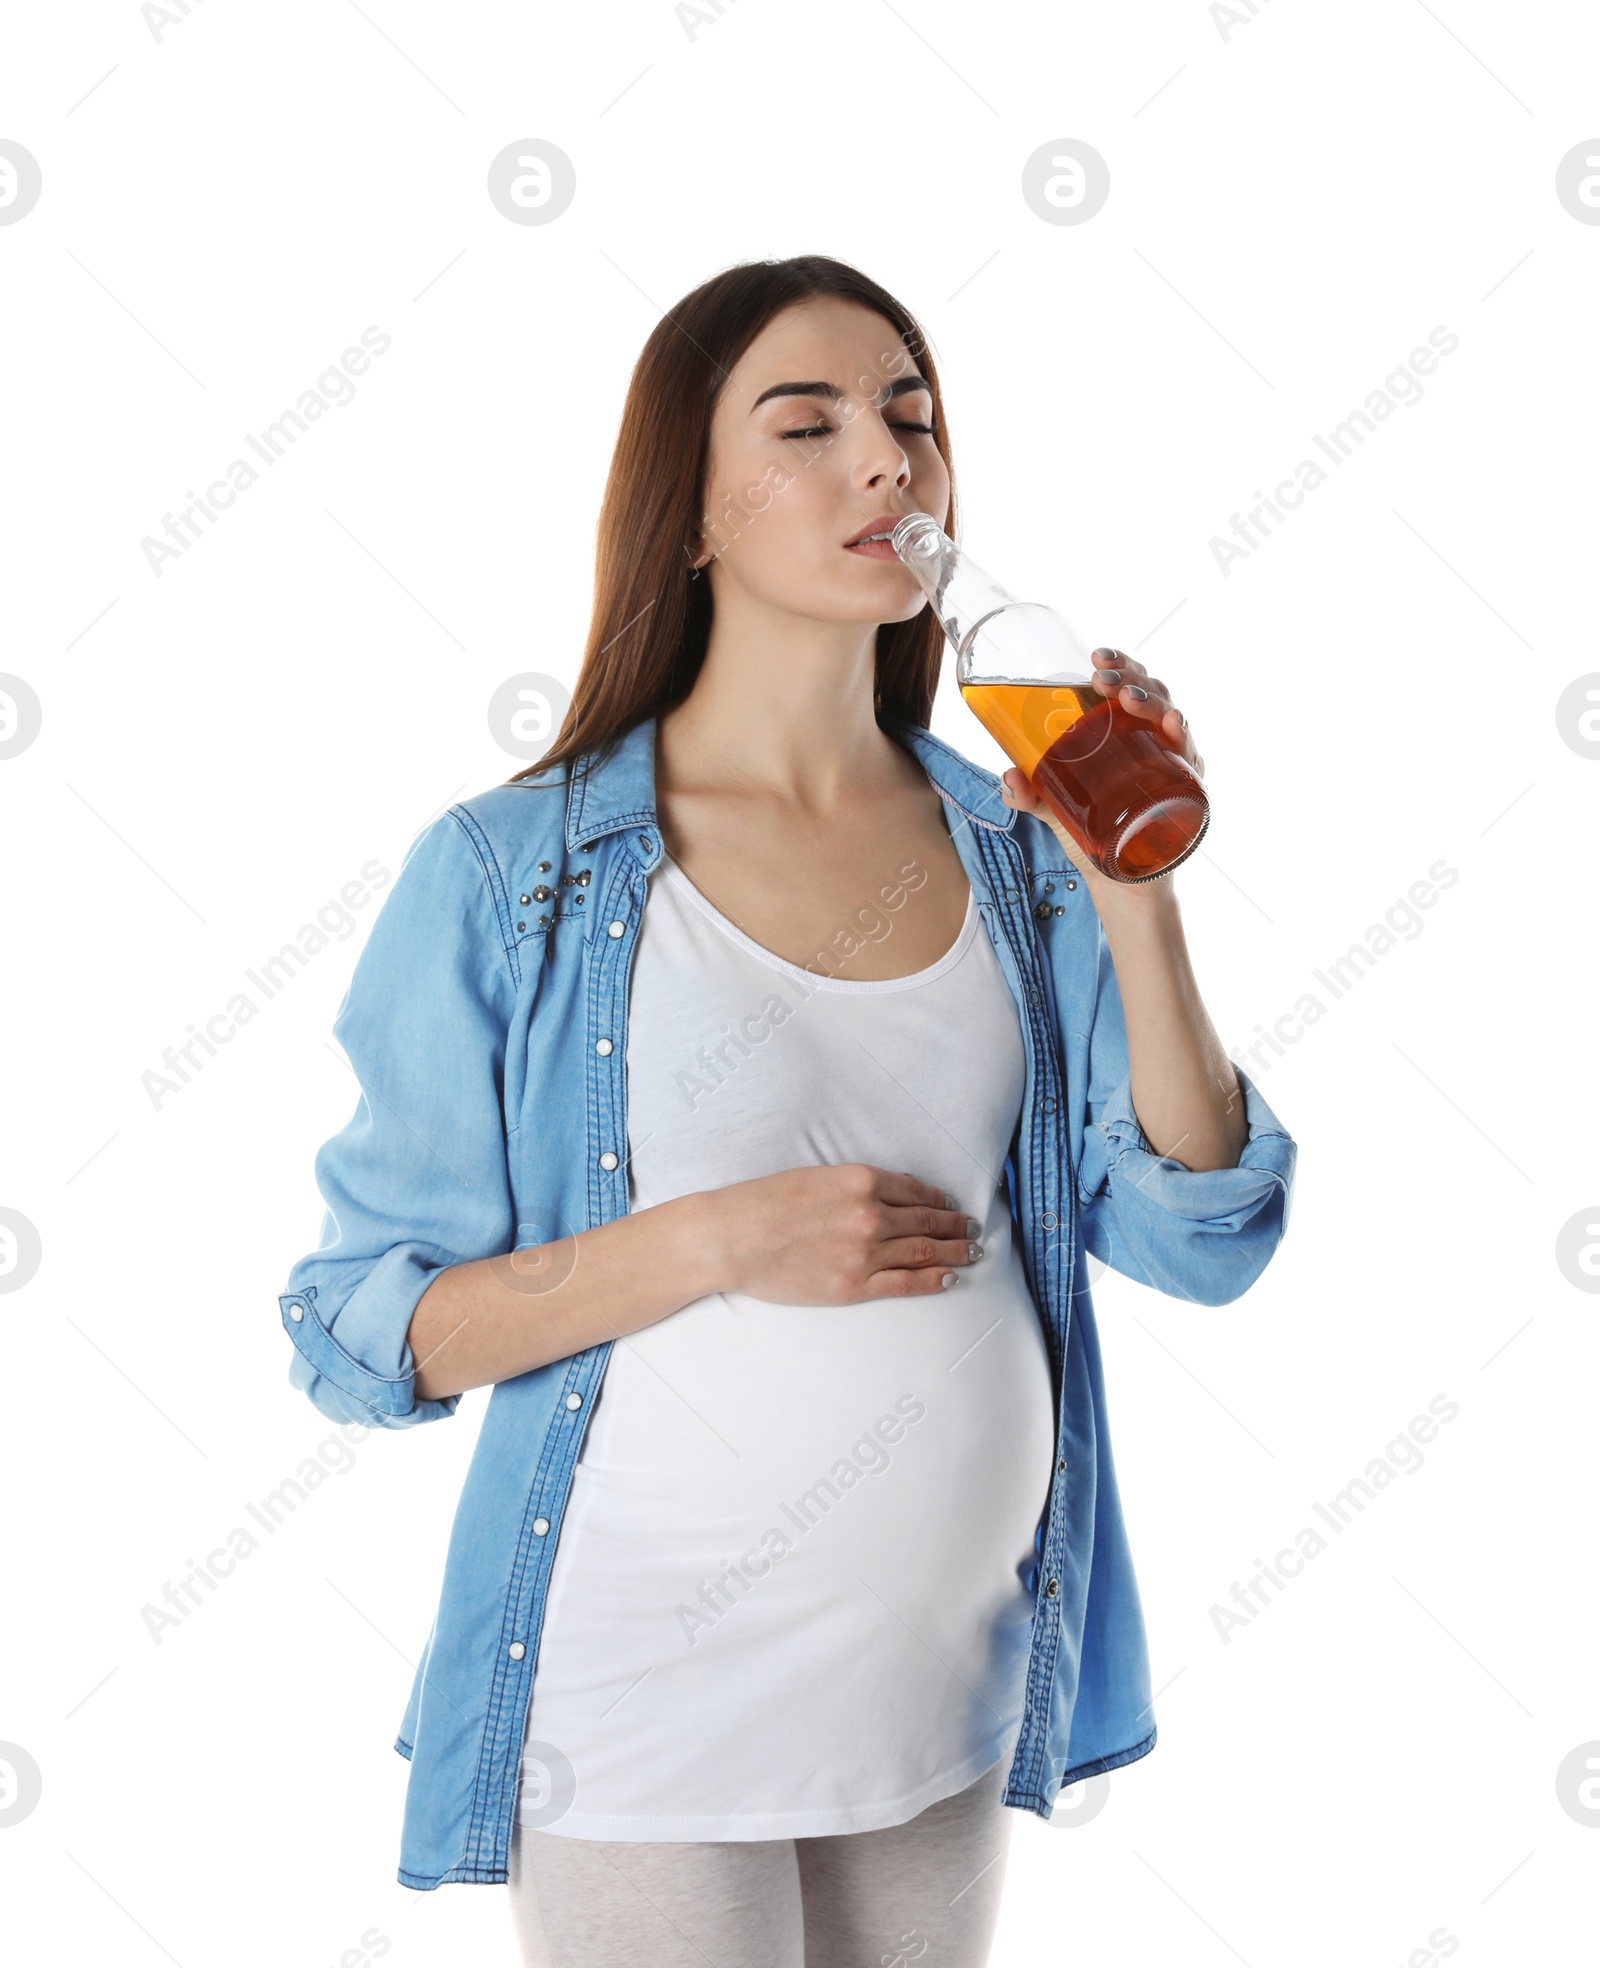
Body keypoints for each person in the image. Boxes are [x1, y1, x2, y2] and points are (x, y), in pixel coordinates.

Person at [278, 254, 1298, 1968]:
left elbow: (1204, 1237)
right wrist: (720, 1238)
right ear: (693, 509)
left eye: (910, 420)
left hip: (943, 1694)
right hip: (645, 1713)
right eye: (806, 424)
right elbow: (368, 1339)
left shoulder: (1016, 855)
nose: (884, 464)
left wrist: (1131, 890)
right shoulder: (510, 877)